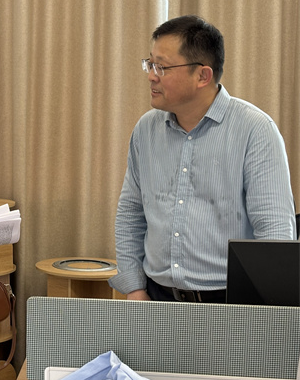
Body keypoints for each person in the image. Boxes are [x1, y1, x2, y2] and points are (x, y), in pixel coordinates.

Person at [108, 15, 295, 303]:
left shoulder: (255, 131)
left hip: (230, 303)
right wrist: (134, 288)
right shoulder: (146, 130)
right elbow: (131, 214)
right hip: (157, 297)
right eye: (150, 64)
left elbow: (275, 234)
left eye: (162, 67)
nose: (151, 76)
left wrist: (264, 312)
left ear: (202, 76)